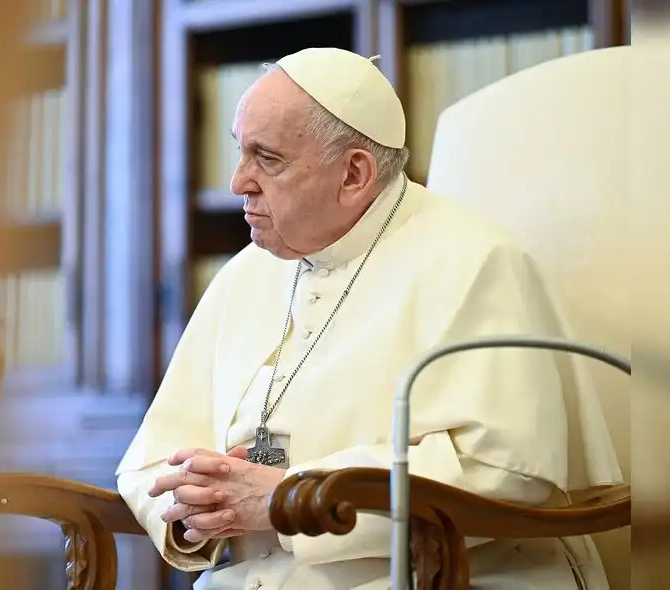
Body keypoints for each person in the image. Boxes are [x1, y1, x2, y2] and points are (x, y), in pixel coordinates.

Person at [115, 47, 623, 589]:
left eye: (267, 158)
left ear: (354, 173)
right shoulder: (246, 274)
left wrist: (286, 498)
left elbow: (505, 471)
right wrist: (200, 509)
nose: (238, 182)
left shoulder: (474, 261)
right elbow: (151, 461)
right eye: (241, 152)